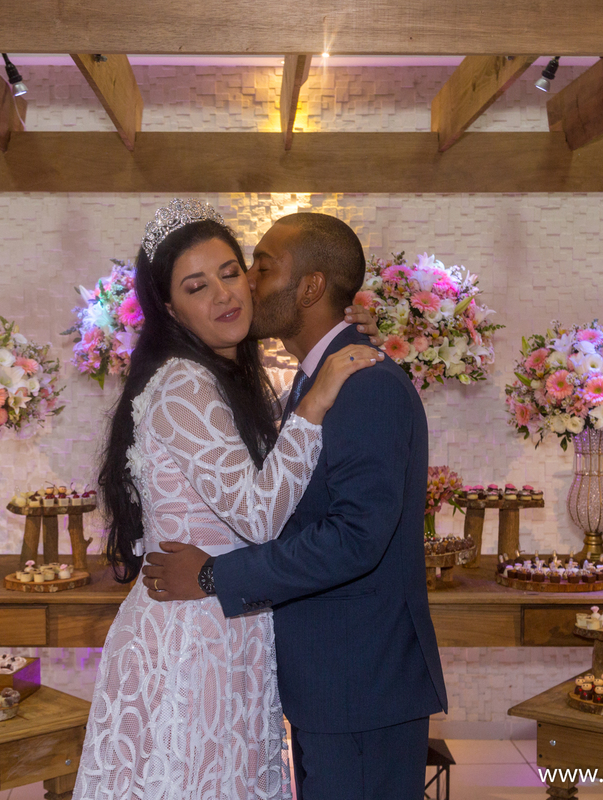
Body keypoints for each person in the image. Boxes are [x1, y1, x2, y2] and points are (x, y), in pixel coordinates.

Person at [74, 199, 383, 800]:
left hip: (228, 621)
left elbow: (287, 488)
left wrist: (336, 354)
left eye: (230, 272)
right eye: (196, 286)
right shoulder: (184, 384)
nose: (224, 294)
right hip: (192, 639)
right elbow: (260, 513)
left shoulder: (230, 378)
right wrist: (317, 401)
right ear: (169, 307)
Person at [144, 212, 448, 800]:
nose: (247, 284)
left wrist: (212, 574)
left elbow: (355, 538)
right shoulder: (314, 383)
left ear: (310, 288)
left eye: (260, 267)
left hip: (360, 684)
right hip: (331, 683)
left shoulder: (367, 384)